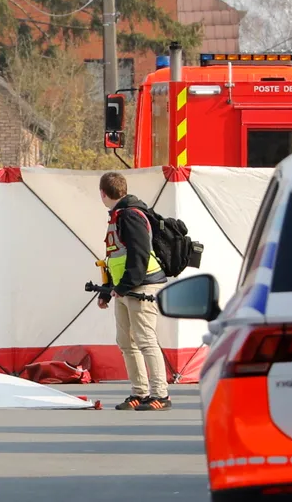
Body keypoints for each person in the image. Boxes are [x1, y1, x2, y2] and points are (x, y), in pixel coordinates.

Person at [97, 171, 171, 411]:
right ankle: (139, 391)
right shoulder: (119, 215)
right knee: (126, 342)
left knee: (145, 340)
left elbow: (138, 255)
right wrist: (109, 290)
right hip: (126, 288)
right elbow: (117, 258)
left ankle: (161, 394)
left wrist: (123, 287)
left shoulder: (129, 215)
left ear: (103, 194)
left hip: (141, 286)